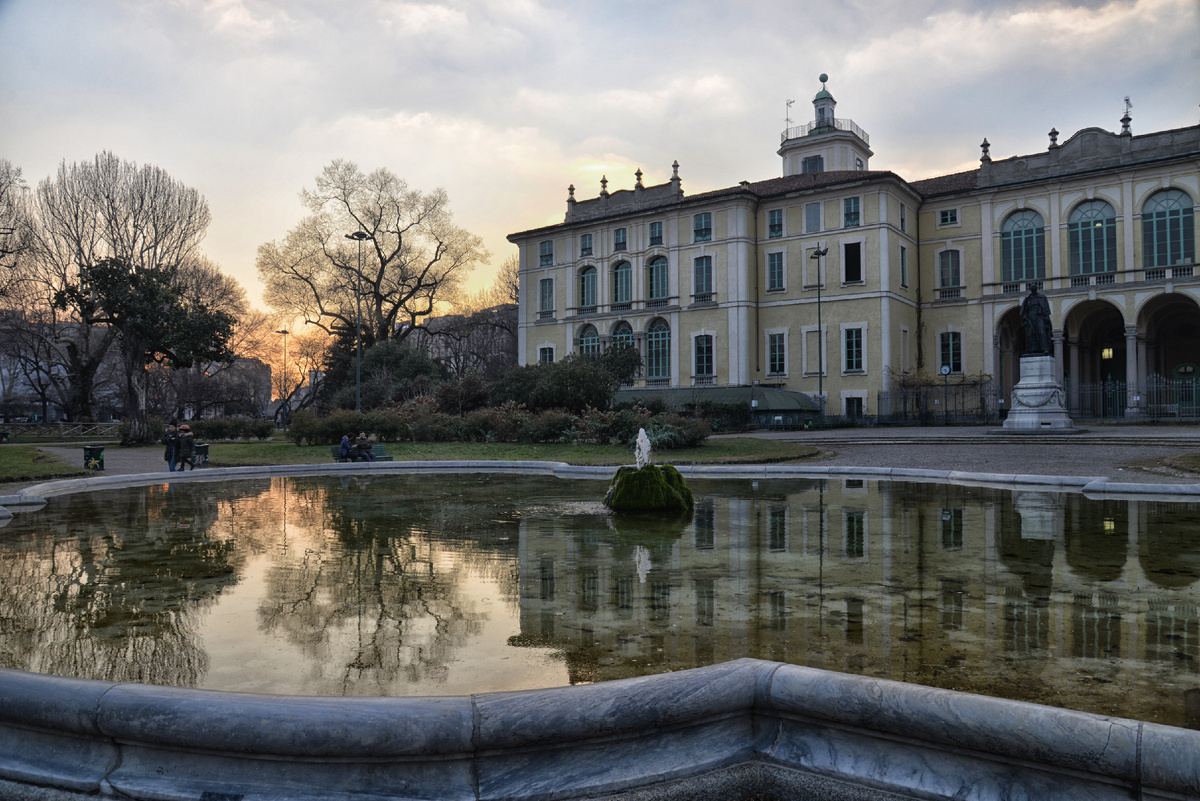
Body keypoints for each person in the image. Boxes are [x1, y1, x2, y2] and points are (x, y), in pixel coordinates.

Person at [1020, 284, 1053, 356]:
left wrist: (1046, 319)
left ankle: (1044, 348)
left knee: (1041, 332)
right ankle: (1032, 349)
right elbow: (1024, 311)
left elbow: (1046, 309)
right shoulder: (1028, 299)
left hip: (1039, 316)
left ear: (1036, 290)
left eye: (1034, 289)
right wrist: (1026, 318)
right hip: (1030, 316)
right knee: (1031, 333)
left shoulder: (1042, 297)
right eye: (1032, 289)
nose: (1033, 291)